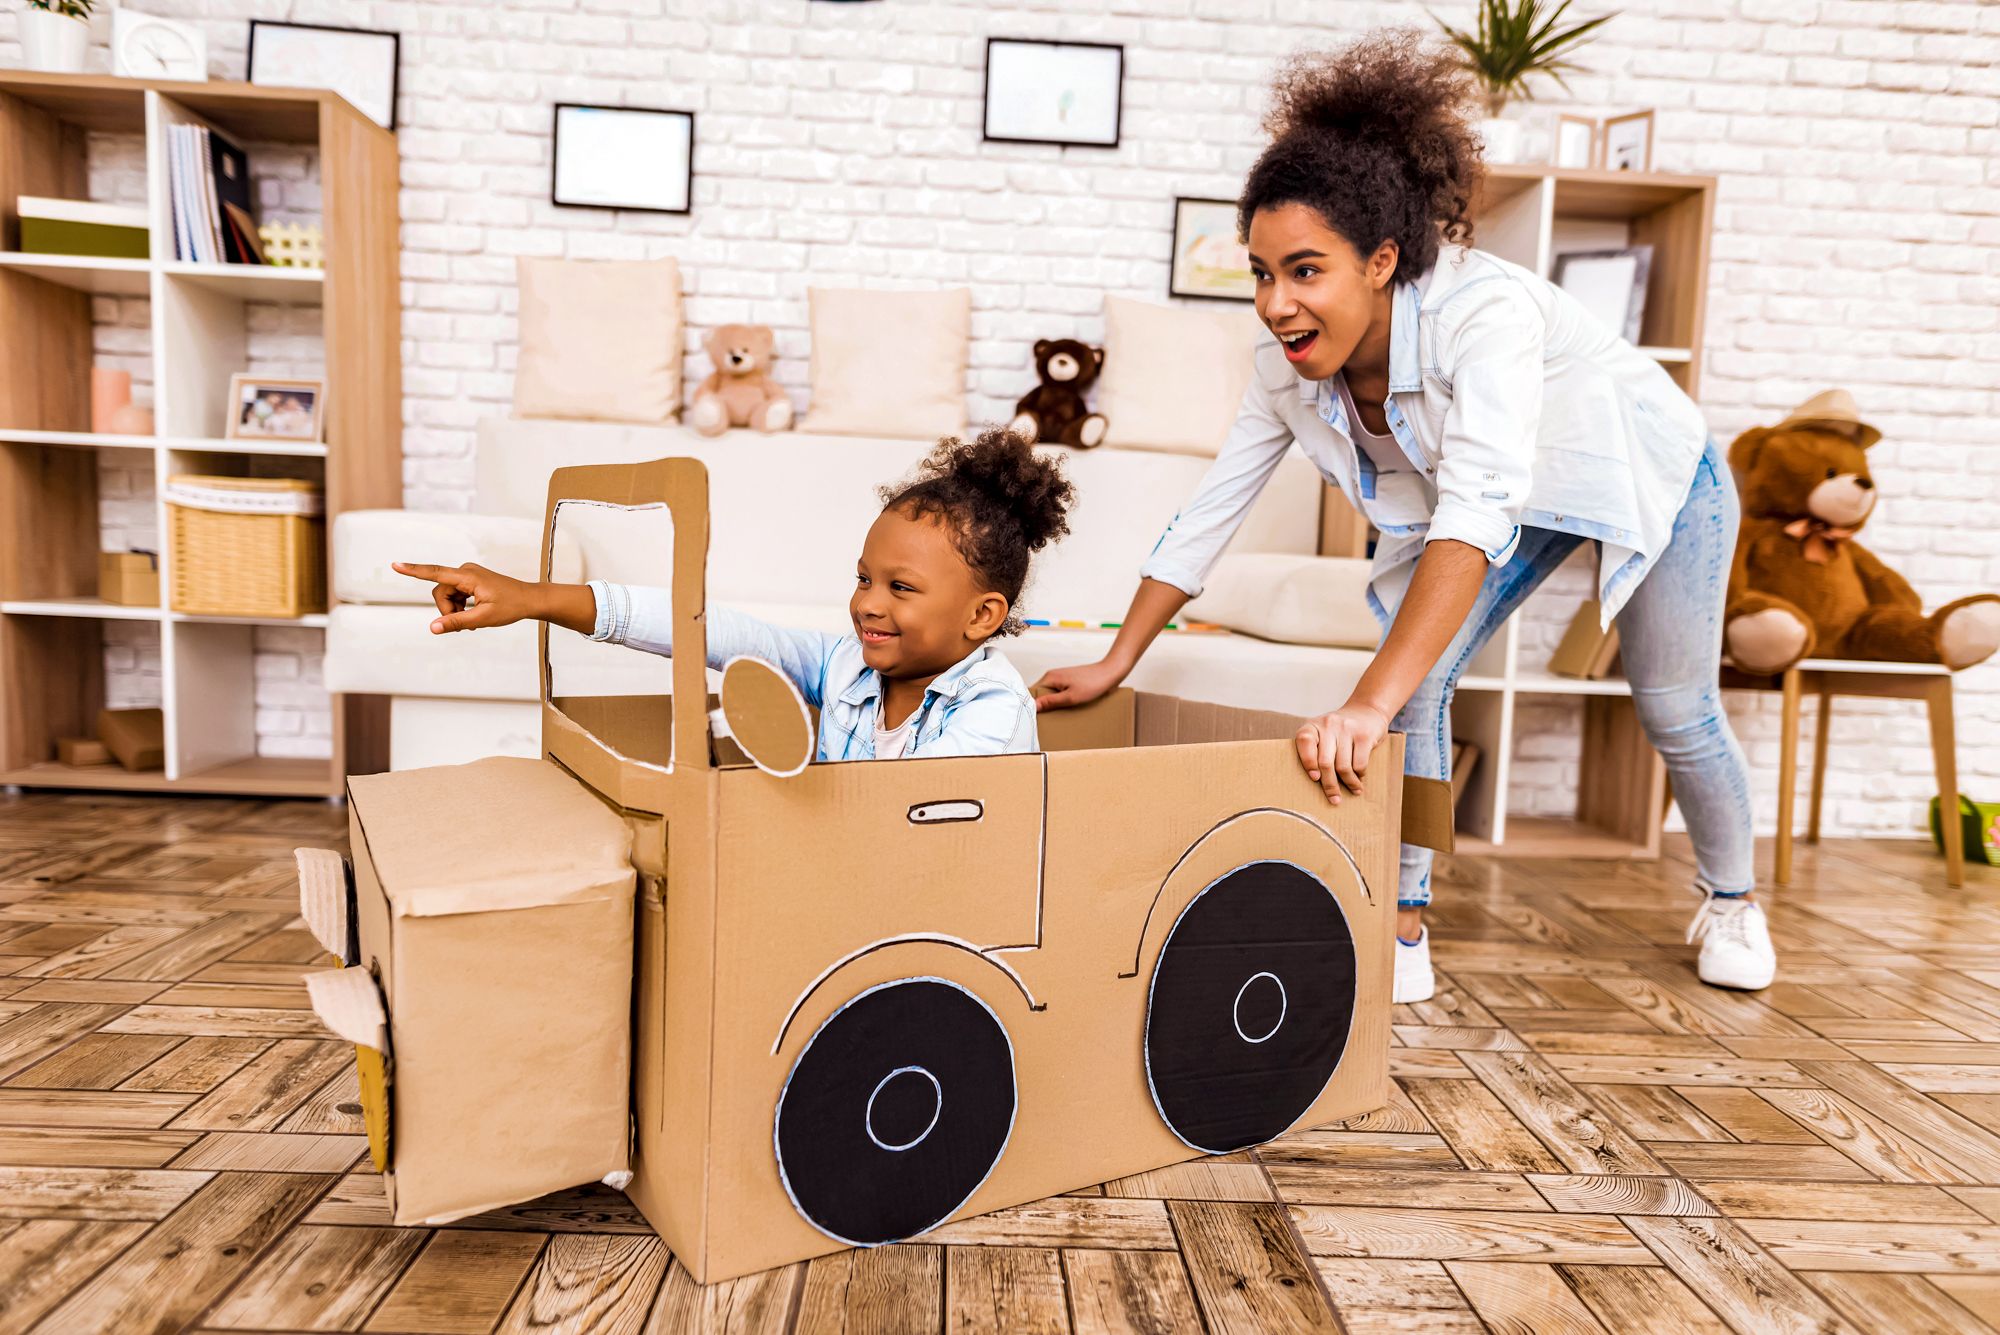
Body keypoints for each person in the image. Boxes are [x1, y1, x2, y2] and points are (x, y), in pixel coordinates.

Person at [1035, 30, 1769, 1001]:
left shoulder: (1482, 319)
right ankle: (1405, 922)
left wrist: (1365, 703)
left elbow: (1472, 514)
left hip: (1644, 469)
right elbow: (1209, 513)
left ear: (1381, 260)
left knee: (1672, 705)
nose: (1274, 303)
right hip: (1505, 491)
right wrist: (1116, 658)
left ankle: (1732, 900)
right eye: (1259, 273)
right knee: (1414, 678)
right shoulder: (1283, 375)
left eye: (1304, 271)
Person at [399, 429, 1075, 760]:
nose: (869, 602)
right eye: (863, 578)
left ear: (982, 615)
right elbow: (708, 630)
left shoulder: (991, 709)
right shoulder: (848, 666)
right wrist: (535, 598)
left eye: (900, 588)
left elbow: (907, 825)